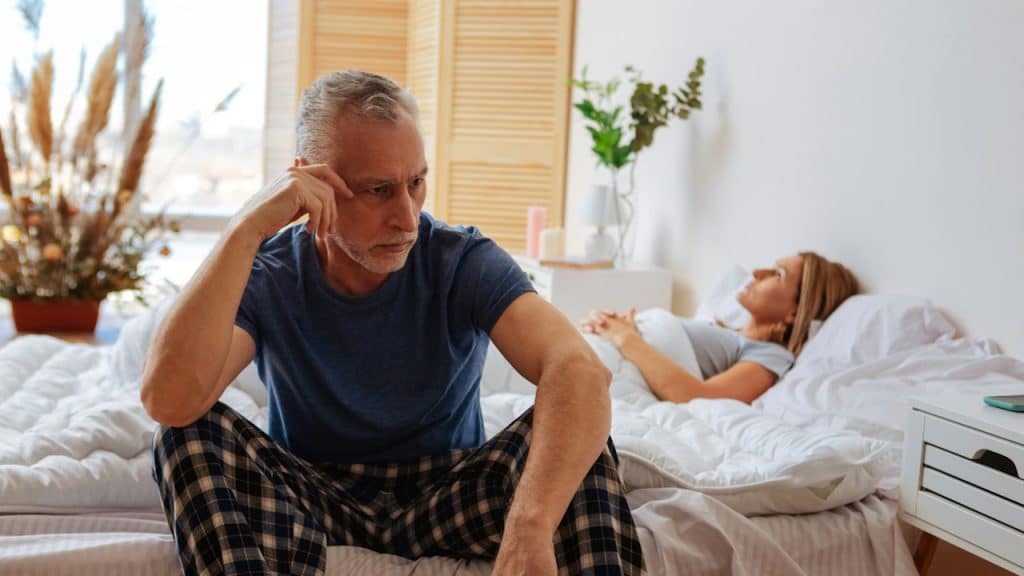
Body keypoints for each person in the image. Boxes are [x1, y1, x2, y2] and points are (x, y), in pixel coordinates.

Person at [140, 70, 644, 576]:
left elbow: (580, 369)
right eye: (378, 189)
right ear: (308, 180)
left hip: (449, 492)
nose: (406, 217)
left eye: (416, 182)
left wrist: (529, 527)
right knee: (182, 435)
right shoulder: (268, 271)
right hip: (314, 494)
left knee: (578, 433)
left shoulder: (462, 260)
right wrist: (244, 227)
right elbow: (169, 400)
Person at [581, 252, 858, 404]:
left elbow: (697, 398)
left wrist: (626, 337)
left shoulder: (771, 355)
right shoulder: (724, 329)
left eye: (777, 275)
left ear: (794, 313)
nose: (757, 272)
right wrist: (614, 326)